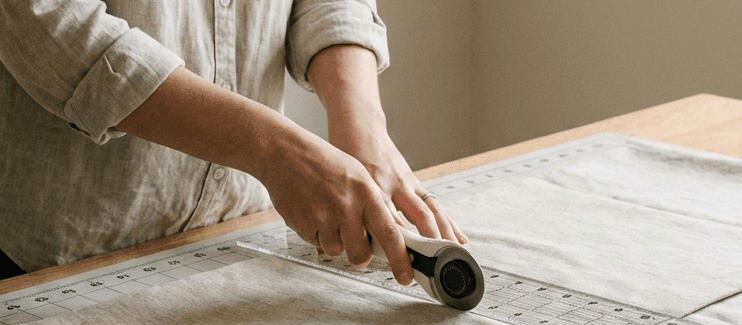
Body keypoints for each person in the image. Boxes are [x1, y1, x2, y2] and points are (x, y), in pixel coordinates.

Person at [0, 0, 465, 283]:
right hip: (60, 257)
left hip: (239, 233)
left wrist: (363, 127)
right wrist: (272, 149)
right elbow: (50, 23)